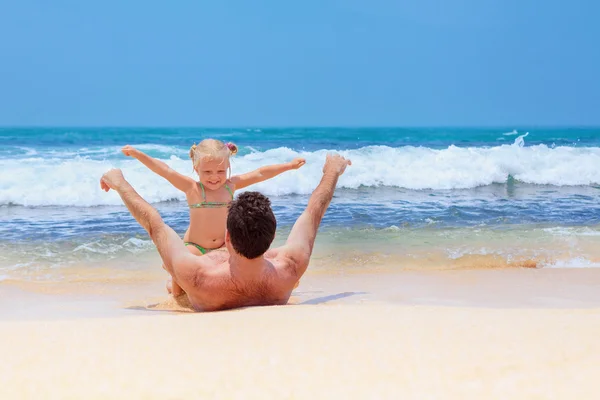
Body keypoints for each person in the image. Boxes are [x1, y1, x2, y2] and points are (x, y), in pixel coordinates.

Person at [100, 153, 351, 311]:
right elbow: (313, 211)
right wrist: (332, 171)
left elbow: (154, 224)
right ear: (272, 237)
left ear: (227, 236)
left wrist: (119, 182)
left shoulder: (198, 277)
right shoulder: (291, 267)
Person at [122, 139, 305, 295]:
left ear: (228, 167)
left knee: (241, 272)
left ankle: (280, 280)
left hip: (223, 246)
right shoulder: (192, 188)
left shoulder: (230, 186)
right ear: (196, 168)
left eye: (220, 172)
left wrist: (288, 166)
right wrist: (139, 155)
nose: (214, 177)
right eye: (207, 172)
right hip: (195, 246)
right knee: (178, 288)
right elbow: (164, 170)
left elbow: (260, 173)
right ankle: (173, 281)